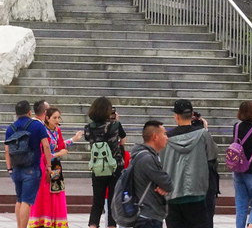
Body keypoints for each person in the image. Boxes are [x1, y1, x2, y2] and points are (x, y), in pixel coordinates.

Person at [161, 99, 217, 228]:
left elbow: (161, 162)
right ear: (192, 114)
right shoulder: (203, 135)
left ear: (176, 116)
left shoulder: (166, 138)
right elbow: (212, 155)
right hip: (196, 193)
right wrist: (205, 130)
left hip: (172, 193)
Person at [28, 107, 83, 228]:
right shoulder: (42, 131)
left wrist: (74, 139)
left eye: (58, 117)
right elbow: (42, 155)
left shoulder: (57, 130)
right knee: (45, 196)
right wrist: (58, 154)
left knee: (57, 194)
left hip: (56, 167)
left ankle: (55, 223)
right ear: (47, 118)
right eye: (54, 118)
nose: (57, 120)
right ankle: (43, 222)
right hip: (45, 167)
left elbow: (61, 145)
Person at [6, 100, 52, 228]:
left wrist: (9, 169)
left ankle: (19, 226)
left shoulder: (11, 128)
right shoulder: (37, 126)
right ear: (29, 112)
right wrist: (48, 165)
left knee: (19, 199)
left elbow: (6, 150)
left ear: (16, 113)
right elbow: (46, 146)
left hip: (16, 168)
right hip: (32, 168)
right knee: (27, 201)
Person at [84, 96, 127, 228]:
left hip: (97, 167)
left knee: (97, 202)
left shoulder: (88, 128)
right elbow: (123, 140)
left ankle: (93, 225)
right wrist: (115, 122)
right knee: (112, 201)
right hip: (115, 166)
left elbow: (88, 138)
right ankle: (111, 226)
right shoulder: (115, 125)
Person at [127, 121, 174, 228]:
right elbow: (168, 183)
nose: (167, 137)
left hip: (146, 214)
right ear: (155, 137)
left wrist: (163, 187)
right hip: (147, 217)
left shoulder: (142, 155)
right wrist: (165, 186)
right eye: (165, 134)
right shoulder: (147, 159)